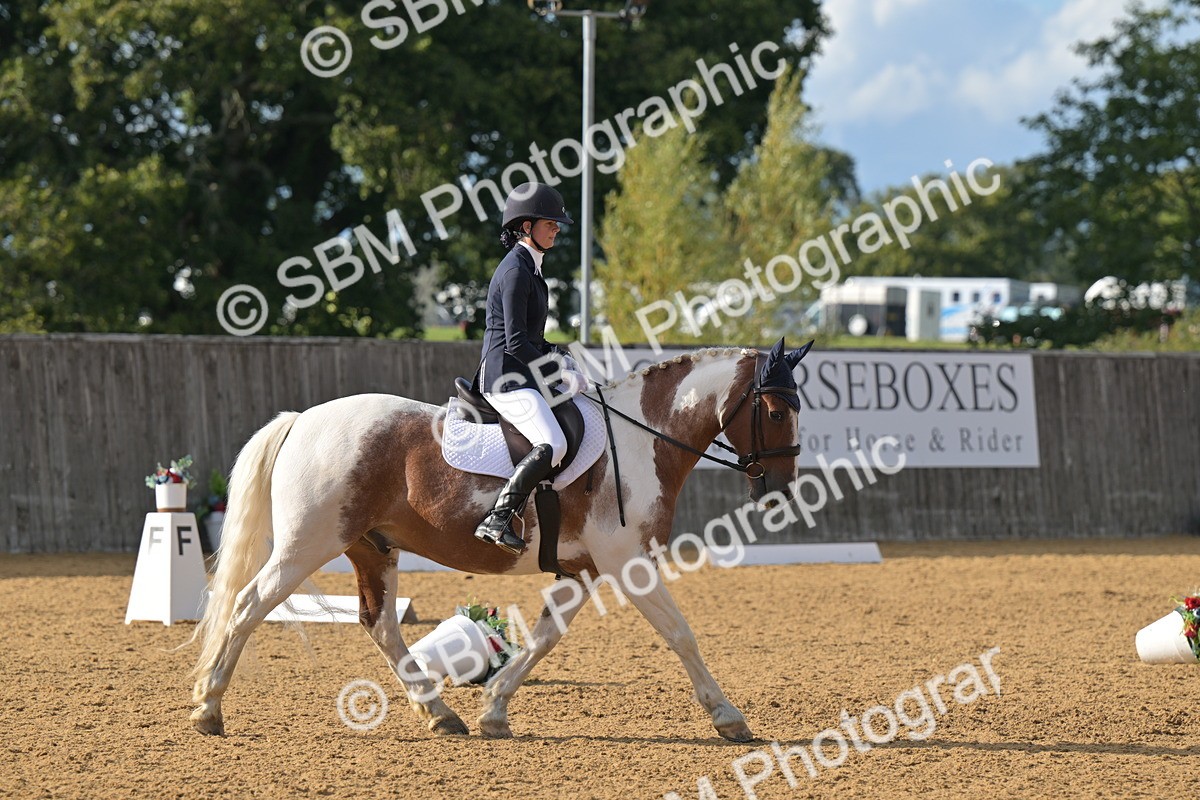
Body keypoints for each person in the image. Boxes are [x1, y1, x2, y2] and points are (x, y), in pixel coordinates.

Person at [473, 182, 585, 555]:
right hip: (504, 377)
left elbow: (534, 338)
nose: (556, 230)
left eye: (556, 224)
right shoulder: (516, 272)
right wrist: (556, 370)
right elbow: (516, 343)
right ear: (526, 226)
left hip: (522, 374)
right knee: (553, 443)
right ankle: (498, 518)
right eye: (550, 223)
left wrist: (562, 356)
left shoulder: (532, 270)